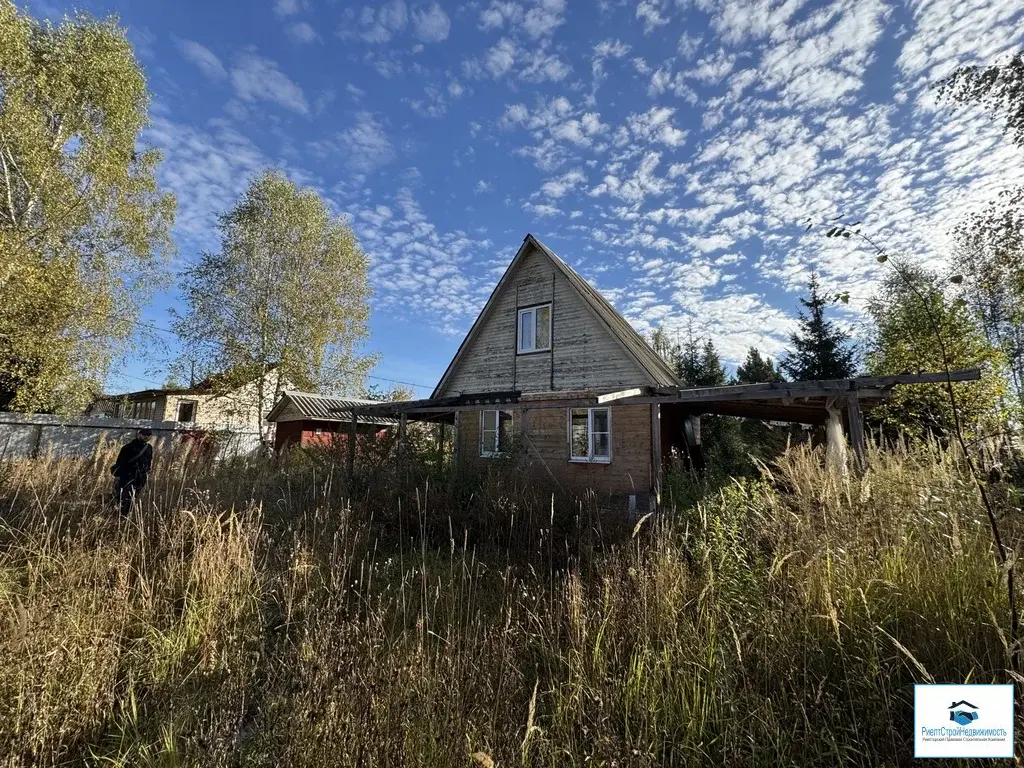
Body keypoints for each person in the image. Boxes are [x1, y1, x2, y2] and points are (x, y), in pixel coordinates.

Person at [111, 428, 154, 515]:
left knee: (135, 496)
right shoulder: (128, 447)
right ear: (139, 434)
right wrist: (123, 476)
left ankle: (127, 514)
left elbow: (149, 461)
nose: (146, 436)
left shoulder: (149, 448)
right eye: (144, 434)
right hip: (128, 476)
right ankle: (122, 515)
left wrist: (147, 470)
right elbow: (120, 463)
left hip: (141, 477)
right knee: (125, 496)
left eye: (148, 435)